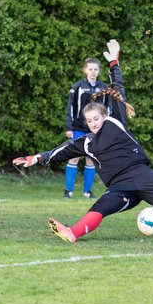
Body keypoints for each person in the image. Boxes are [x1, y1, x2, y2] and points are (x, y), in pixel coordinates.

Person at [13, 39, 153, 243]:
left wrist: (114, 62)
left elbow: (118, 86)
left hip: (143, 176)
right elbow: (60, 152)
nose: (93, 123)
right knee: (102, 206)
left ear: (104, 115)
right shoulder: (87, 142)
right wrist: (36, 158)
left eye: (96, 119)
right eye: (89, 121)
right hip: (120, 186)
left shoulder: (115, 120)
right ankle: (72, 233)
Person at [64, 57, 110, 199]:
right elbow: (70, 107)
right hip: (78, 128)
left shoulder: (103, 87)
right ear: (85, 70)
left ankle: (87, 191)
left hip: (96, 129)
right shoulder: (78, 86)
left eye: (95, 69)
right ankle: (68, 191)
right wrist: (69, 127)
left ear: (98, 71)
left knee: (91, 159)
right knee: (74, 158)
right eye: (90, 69)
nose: (93, 72)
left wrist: (107, 127)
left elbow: (108, 109)